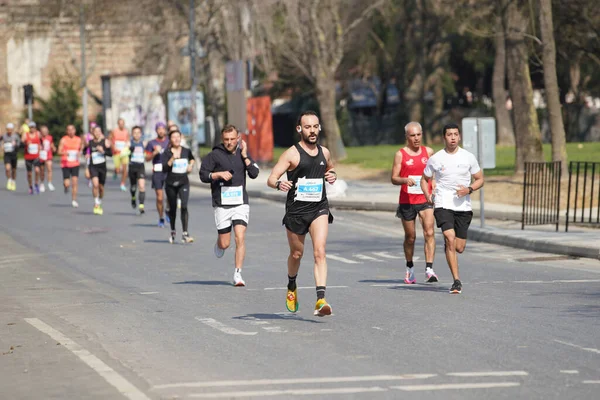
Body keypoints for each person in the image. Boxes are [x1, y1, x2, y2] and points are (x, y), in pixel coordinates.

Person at [267, 111, 337, 317]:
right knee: (297, 254)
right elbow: (271, 178)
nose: (312, 130)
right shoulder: (292, 154)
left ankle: (320, 299)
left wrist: (331, 175)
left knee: (320, 252)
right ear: (300, 129)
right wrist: (279, 183)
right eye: (308, 127)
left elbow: (330, 169)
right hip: (296, 211)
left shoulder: (325, 152)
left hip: (319, 208)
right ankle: (291, 284)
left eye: (315, 126)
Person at [421, 123, 484, 294]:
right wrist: (427, 194)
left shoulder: (468, 157)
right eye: (449, 134)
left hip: (463, 205)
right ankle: (456, 281)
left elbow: (480, 179)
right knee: (449, 238)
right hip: (443, 203)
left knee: (459, 247)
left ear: (460, 136)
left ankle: (450, 248)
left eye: (456, 134)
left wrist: (469, 189)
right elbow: (424, 178)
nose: (453, 137)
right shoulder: (436, 158)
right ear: (444, 137)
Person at [200, 124, 260, 287]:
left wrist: (246, 156)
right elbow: (203, 175)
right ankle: (219, 243)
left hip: (240, 203)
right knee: (225, 243)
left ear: (238, 138)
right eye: (226, 139)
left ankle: (238, 274)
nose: (229, 142)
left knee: (240, 236)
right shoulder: (214, 155)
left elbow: (254, 173)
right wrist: (217, 174)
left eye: (232, 139)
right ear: (222, 139)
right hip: (222, 203)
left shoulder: (243, 154)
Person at [391, 122, 438, 284]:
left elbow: (434, 173)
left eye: (418, 135)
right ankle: (410, 268)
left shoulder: (429, 152)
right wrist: (405, 180)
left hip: (425, 199)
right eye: (412, 135)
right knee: (410, 237)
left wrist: (435, 185)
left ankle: (429, 269)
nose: (416, 138)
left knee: (429, 232)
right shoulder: (400, 154)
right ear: (407, 137)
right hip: (407, 200)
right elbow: (393, 178)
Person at [163, 130, 195, 244]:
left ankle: (185, 233)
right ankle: (173, 231)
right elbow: (164, 168)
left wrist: (191, 165)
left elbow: (192, 158)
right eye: (174, 137)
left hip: (183, 182)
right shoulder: (166, 152)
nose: (176, 139)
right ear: (170, 139)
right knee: (173, 209)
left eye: (178, 137)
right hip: (171, 184)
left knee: (184, 206)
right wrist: (172, 159)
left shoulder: (186, 151)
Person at [145, 122, 169, 227]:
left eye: (162, 129)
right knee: (160, 197)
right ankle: (161, 217)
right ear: (156, 130)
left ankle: (168, 210)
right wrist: (154, 152)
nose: (161, 131)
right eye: (158, 129)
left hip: (168, 171)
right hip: (157, 172)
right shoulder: (151, 143)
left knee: (170, 195)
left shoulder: (169, 141)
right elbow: (147, 158)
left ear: (165, 130)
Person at [88, 126, 112, 215]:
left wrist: (103, 151)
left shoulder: (104, 142)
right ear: (92, 133)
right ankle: (96, 203)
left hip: (102, 167)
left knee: (101, 188)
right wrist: (86, 155)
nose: (97, 133)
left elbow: (110, 154)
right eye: (95, 131)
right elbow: (85, 152)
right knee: (95, 184)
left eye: (99, 131)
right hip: (93, 167)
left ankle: (99, 200)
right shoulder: (90, 143)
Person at [58, 124, 82, 208]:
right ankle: (66, 186)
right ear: (67, 131)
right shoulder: (63, 140)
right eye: (69, 130)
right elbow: (59, 151)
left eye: (72, 129)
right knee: (67, 183)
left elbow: (81, 150)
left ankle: (74, 200)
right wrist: (65, 153)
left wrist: (80, 153)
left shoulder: (78, 139)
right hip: (66, 164)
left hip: (75, 163)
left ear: (75, 130)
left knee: (75, 182)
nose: (71, 131)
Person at [128, 126, 146, 214]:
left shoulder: (144, 143)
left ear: (141, 134)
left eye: (138, 133)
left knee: (142, 186)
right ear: (132, 134)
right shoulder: (129, 144)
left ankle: (141, 205)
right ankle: (133, 197)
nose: (137, 135)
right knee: (133, 187)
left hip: (140, 166)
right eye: (135, 133)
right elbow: (123, 154)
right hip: (132, 167)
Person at [109, 118, 130, 191]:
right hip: (116, 152)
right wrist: (113, 147)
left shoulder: (126, 131)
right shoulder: (114, 131)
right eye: (120, 123)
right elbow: (110, 140)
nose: (121, 125)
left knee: (125, 169)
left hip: (124, 152)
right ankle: (115, 172)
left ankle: (122, 184)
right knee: (118, 170)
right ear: (118, 124)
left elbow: (128, 140)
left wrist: (127, 145)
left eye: (122, 123)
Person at [21, 121, 42, 195]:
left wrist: (40, 151)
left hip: (36, 156)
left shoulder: (38, 134)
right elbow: (22, 142)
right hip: (28, 156)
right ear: (29, 128)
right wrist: (26, 142)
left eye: (33, 127)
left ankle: (36, 183)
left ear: (35, 128)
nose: (32, 129)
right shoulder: (25, 135)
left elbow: (41, 142)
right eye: (31, 127)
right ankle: (30, 186)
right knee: (29, 173)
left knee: (37, 170)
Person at [1, 123, 20, 191]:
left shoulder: (15, 136)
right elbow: (1, 140)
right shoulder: (4, 136)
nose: (9, 131)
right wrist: (2, 146)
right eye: (8, 130)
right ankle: (9, 180)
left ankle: (13, 181)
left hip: (14, 154)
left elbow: (19, 145)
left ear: (12, 130)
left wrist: (15, 145)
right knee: (8, 168)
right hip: (7, 154)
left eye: (10, 130)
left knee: (14, 170)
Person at [38, 125, 57, 192]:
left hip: (48, 155)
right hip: (42, 155)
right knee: (42, 170)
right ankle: (42, 183)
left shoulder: (50, 137)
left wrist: (53, 148)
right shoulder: (39, 138)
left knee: (49, 168)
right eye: (43, 131)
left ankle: (49, 183)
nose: (45, 132)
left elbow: (51, 144)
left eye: (46, 131)